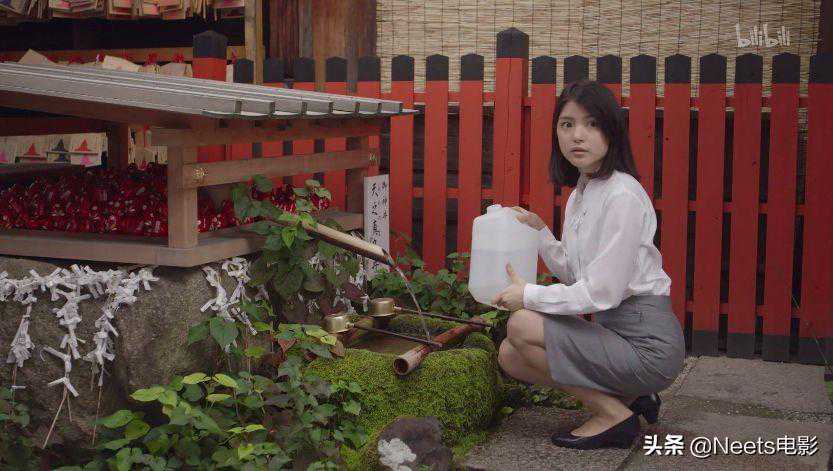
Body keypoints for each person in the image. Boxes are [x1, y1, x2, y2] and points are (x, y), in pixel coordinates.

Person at [491, 79, 685, 450]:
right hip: (616, 337)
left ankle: (614, 416)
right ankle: (631, 398)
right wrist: (540, 232)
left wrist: (528, 295)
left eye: (591, 124)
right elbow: (578, 274)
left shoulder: (622, 194)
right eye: (567, 124)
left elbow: (602, 292)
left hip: (648, 347)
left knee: (521, 323)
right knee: (510, 356)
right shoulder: (584, 191)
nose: (577, 135)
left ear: (611, 131)